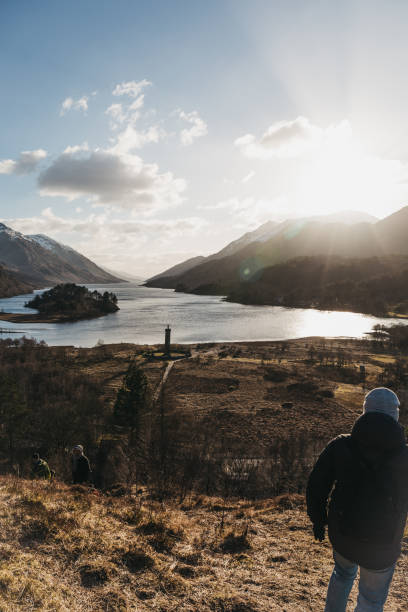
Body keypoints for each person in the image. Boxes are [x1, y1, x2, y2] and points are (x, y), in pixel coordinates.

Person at [307, 387, 408, 611]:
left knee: (341, 575)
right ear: (395, 415)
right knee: (371, 599)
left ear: (364, 411)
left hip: (343, 534)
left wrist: (318, 519)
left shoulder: (340, 445)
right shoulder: (405, 456)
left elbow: (317, 484)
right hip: (384, 542)